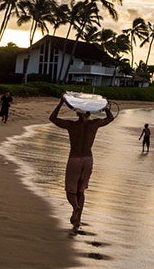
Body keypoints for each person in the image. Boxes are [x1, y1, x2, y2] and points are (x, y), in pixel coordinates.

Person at [49, 95, 114, 231]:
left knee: (70, 190)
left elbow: (53, 118)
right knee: (81, 191)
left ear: (77, 113)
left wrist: (61, 103)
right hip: (88, 159)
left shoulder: (72, 125)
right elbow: (110, 118)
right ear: (90, 113)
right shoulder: (94, 124)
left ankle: (75, 207)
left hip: (75, 159)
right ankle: (78, 220)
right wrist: (106, 106)